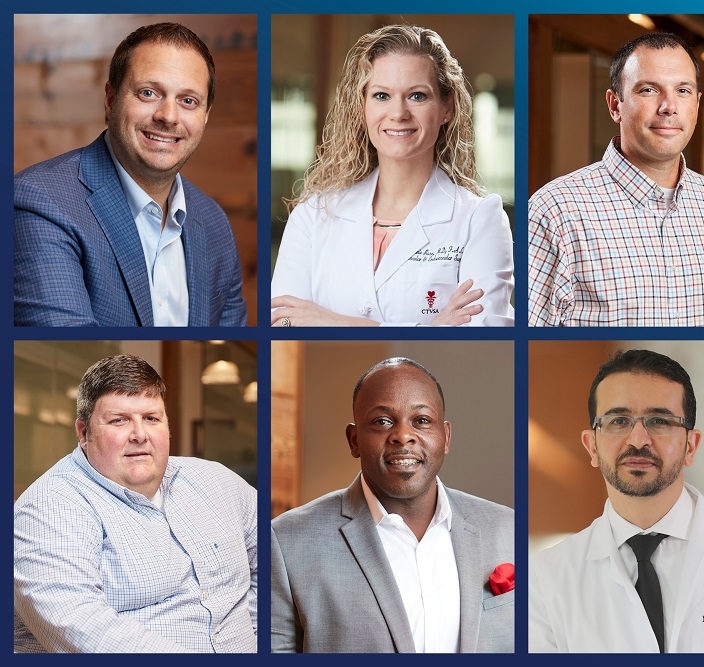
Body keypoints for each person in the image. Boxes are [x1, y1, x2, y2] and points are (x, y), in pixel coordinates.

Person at [270, 25, 513, 327]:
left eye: (417, 96)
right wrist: (432, 329)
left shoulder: (480, 218)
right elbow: (282, 325)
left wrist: (330, 321)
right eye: (382, 95)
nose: (398, 113)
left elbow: (482, 334)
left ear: (447, 107)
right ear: (362, 107)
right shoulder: (313, 215)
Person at [530, 349, 704, 652]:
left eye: (659, 420)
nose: (638, 440)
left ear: (690, 446)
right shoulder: (545, 577)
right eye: (618, 421)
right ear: (592, 446)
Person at [13, 355, 256, 652]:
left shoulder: (217, 481)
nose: (140, 435)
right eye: (120, 421)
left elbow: (269, 566)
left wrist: (257, 640)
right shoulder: (50, 507)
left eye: (151, 419)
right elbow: (83, 627)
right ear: (83, 432)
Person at [270, 357, 514, 652]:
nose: (403, 436)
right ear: (354, 440)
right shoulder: (287, 540)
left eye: (422, 421)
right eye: (382, 422)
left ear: (446, 437)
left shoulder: (507, 528)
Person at [528, 33, 704, 327]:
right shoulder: (555, 210)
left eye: (683, 90)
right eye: (648, 90)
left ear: (696, 104)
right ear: (615, 105)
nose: (669, 106)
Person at [13, 23, 247, 327]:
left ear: (205, 115)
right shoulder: (41, 203)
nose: (169, 116)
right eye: (148, 93)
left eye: (188, 100)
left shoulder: (214, 224)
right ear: (111, 100)